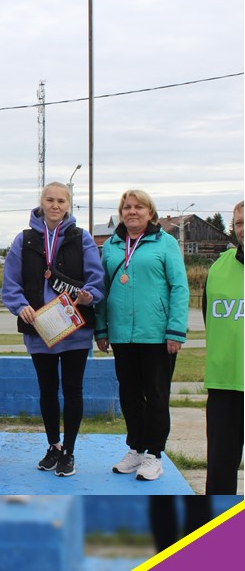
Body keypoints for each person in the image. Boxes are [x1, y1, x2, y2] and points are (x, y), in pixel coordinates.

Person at [2, 182, 104, 477]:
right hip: (39, 327)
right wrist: (20, 305)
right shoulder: (24, 240)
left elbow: (96, 279)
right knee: (47, 390)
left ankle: (69, 451)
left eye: (61, 200)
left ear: (68, 205)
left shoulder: (81, 238)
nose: (55, 205)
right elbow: (11, 282)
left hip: (74, 329)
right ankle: (53, 446)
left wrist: (88, 296)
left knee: (72, 390)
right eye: (50, 200)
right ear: (41, 203)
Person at [95, 189, 189, 481]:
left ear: (150, 213)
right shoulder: (111, 246)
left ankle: (154, 454)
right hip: (122, 334)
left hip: (157, 335)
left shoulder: (165, 243)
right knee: (130, 395)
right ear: (121, 213)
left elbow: (179, 287)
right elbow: (102, 290)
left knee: (157, 396)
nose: (132, 211)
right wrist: (102, 328)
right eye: (127, 207)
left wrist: (175, 329)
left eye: (139, 207)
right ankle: (136, 448)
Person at [203, 200, 243, 494]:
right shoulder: (218, 268)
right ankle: (220, 522)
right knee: (220, 470)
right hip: (225, 382)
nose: (244, 229)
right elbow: (208, 317)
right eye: (239, 223)